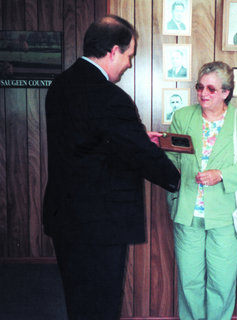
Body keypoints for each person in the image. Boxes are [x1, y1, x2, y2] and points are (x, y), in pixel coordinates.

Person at [43, 15, 181, 320]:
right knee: (102, 302)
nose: (129, 64)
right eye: (130, 55)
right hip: (99, 223)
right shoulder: (109, 96)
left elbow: (86, 138)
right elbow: (135, 153)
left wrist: (132, 136)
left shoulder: (60, 85)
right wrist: (178, 179)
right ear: (114, 51)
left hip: (66, 215)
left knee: (77, 299)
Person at [166, 61, 237, 320]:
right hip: (188, 212)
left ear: (226, 92)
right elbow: (172, 160)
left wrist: (221, 175)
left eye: (211, 88)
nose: (203, 93)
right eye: (200, 87)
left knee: (221, 283)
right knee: (189, 282)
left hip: (226, 215)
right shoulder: (182, 117)